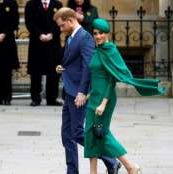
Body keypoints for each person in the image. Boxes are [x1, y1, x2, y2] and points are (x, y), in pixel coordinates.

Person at [85, 18, 165, 174]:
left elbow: (111, 80)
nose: (97, 36)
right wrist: (89, 94)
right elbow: (95, 75)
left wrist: (103, 103)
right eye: (95, 33)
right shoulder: (97, 51)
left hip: (104, 98)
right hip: (93, 97)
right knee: (90, 134)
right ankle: (93, 172)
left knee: (102, 133)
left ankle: (130, 167)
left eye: (101, 33)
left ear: (107, 33)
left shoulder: (111, 50)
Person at [54, 8, 121, 174]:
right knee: (66, 135)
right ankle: (72, 170)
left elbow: (87, 67)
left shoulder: (85, 38)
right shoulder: (71, 37)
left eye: (62, 25)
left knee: (77, 133)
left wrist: (82, 92)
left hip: (78, 94)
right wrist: (63, 68)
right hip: (70, 91)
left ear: (70, 20)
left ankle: (111, 159)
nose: (60, 28)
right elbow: (74, 63)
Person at [25, 0, 63, 106]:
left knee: (53, 72)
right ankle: (36, 98)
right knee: (35, 72)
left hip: (53, 43)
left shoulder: (58, 4)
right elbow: (29, 22)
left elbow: (60, 23)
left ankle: (52, 98)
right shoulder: (31, 4)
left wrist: (52, 34)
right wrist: (40, 34)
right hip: (37, 42)